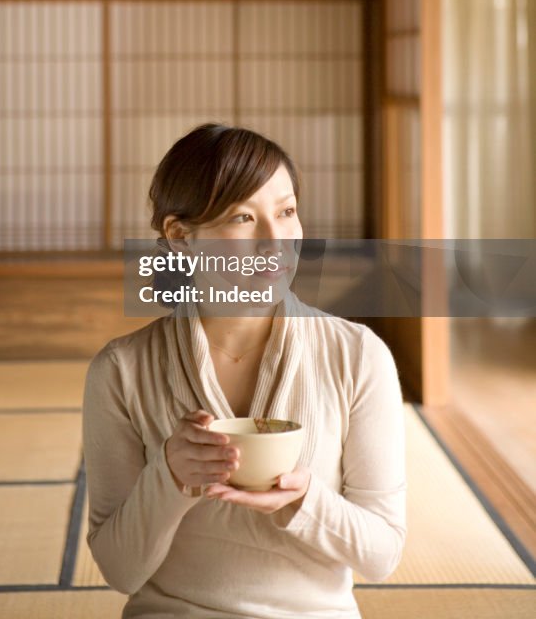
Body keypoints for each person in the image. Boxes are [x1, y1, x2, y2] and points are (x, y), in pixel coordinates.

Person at [83, 123, 407, 619]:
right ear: (179, 236)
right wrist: (169, 477)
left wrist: (303, 503)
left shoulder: (358, 355)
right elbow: (120, 570)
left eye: (286, 211)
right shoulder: (121, 370)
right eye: (241, 218)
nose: (275, 241)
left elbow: (382, 554)